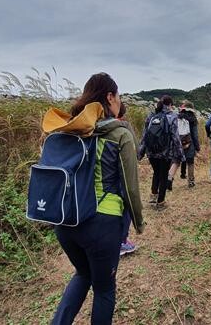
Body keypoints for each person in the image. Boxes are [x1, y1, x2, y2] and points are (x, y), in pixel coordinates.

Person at [51, 73, 144, 325]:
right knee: (104, 289)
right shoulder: (119, 134)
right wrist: (138, 222)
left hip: (65, 221)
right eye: (119, 95)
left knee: (82, 274)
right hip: (102, 226)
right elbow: (131, 187)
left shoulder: (66, 130)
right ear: (109, 96)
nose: (120, 100)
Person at [138, 95, 184, 210]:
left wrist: (141, 152)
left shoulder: (151, 116)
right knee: (163, 176)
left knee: (156, 172)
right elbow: (175, 137)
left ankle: (153, 196)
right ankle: (161, 202)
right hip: (165, 152)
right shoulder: (172, 117)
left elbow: (144, 136)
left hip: (151, 152)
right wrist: (180, 154)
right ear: (170, 105)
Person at [116, 102, 137, 256]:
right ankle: (122, 241)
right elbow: (134, 146)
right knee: (126, 205)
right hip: (121, 172)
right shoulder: (124, 127)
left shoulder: (95, 126)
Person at [167, 100, 200, 188]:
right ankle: (191, 182)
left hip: (177, 142)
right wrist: (197, 147)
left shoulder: (177, 117)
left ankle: (169, 178)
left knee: (176, 161)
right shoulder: (192, 119)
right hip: (189, 143)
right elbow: (195, 135)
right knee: (190, 162)